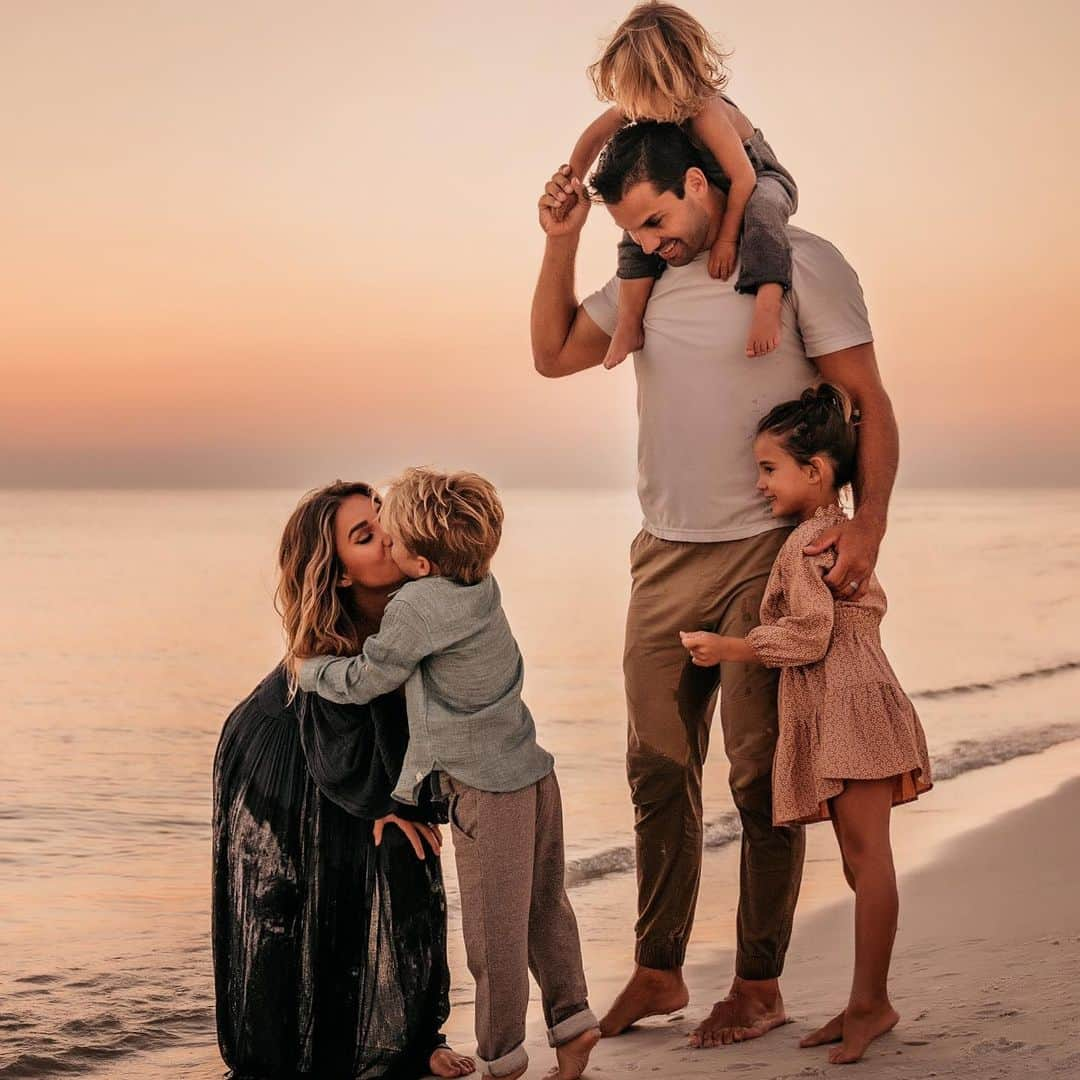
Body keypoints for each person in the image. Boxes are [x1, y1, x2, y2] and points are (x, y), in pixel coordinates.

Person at [531, 120, 900, 1049]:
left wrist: (869, 525)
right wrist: (563, 239)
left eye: (657, 219)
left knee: (758, 774)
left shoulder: (801, 264)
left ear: (702, 181)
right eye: (636, 231)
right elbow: (553, 353)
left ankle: (759, 982)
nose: (650, 242)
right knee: (656, 766)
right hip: (661, 553)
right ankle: (658, 970)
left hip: (763, 558)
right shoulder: (642, 283)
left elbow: (870, 402)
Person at [297, 468, 601, 1080]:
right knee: (546, 908)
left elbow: (365, 680)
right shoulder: (482, 584)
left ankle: (502, 1059)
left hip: (487, 790)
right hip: (536, 775)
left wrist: (310, 673)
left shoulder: (415, 607)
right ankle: (574, 1024)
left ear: (422, 561)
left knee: (494, 937)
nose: (387, 536)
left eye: (395, 532)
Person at [681, 384, 932, 1063]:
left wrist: (730, 647)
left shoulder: (811, 541)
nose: (759, 483)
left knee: (867, 859)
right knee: (860, 859)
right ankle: (865, 1000)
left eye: (769, 468)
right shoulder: (829, 532)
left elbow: (813, 636)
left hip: (848, 702)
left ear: (816, 471)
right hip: (849, 700)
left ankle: (872, 1003)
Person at [212, 481, 475, 1079]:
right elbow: (330, 715)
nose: (387, 533)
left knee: (401, 864)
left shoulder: (422, 589)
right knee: (289, 900)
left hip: (355, 749)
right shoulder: (328, 637)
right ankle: (272, 1057)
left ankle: (414, 1038)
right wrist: (384, 800)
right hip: (282, 745)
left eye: (381, 514)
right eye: (364, 535)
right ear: (338, 575)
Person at [565, 2, 797, 367]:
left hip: (759, 177)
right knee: (639, 222)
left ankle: (768, 300)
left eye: (651, 97)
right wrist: (571, 179)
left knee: (762, 211)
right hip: (698, 181)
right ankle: (629, 323)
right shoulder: (643, 104)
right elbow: (593, 137)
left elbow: (744, 178)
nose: (645, 114)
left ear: (679, 78)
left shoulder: (705, 112)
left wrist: (724, 241)